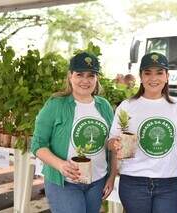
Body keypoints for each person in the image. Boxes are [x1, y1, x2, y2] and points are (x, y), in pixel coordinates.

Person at [30, 52, 117, 213]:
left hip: (97, 181)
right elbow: (38, 144)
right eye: (79, 74)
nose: (85, 80)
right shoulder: (56, 104)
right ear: (70, 76)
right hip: (64, 182)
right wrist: (60, 165)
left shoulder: (104, 106)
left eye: (91, 75)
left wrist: (111, 177)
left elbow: (112, 145)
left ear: (96, 78)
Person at [108, 52, 177, 213]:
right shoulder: (126, 106)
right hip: (134, 182)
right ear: (140, 77)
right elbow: (111, 142)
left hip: (171, 183)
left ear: (167, 76)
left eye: (159, 73)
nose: (153, 78)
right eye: (147, 73)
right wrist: (115, 145)